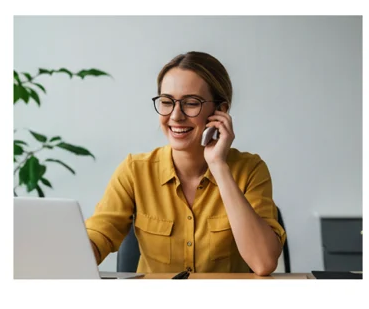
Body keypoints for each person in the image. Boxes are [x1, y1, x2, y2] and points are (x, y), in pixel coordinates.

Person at [84, 52, 285, 274]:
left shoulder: (250, 170)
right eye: (167, 102)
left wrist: (218, 165)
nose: (176, 116)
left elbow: (263, 262)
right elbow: (97, 236)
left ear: (220, 111)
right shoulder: (134, 170)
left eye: (191, 103)